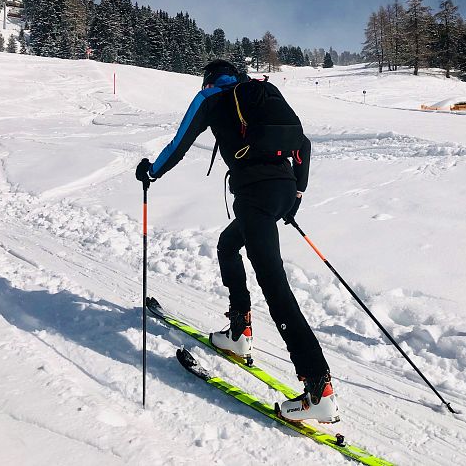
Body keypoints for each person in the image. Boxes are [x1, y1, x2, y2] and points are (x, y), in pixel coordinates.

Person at [136, 60, 338, 423]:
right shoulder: (258, 94)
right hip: (280, 191)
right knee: (228, 245)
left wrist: (151, 172)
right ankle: (238, 332)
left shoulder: (211, 97)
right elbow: (303, 144)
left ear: (209, 78)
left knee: (275, 285)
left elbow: (179, 143)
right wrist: (295, 195)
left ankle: (318, 387)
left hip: (255, 196)